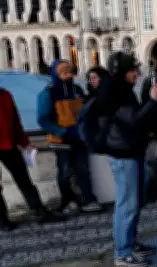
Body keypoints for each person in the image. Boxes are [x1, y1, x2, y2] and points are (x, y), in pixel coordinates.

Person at [96, 52, 157, 267]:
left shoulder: (122, 89)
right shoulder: (115, 92)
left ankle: (130, 243)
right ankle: (122, 252)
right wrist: (152, 101)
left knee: (134, 201)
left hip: (130, 150)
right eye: (132, 70)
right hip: (123, 153)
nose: (137, 74)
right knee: (128, 203)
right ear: (122, 72)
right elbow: (133, 119)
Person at [37, 59, 102, 215]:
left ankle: (87, 199)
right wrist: (62, 132)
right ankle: (68, 201)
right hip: (61, 140)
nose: (68, 75)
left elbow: (84, 112)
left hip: (79, 138)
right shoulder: (48, 93)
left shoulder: (77, 89)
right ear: (56, 74)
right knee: (65, 172)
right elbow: (43, 119)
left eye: (69, 71)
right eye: (64, 72)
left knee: (83, 170)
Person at [0, 88, 59, 229]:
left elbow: (15, 121)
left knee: (24, 180)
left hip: (10, 145)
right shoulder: (4, 94)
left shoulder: (5, 94)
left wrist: (24, 142)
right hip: (8, 144)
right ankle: (2, 220)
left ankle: (39, 211)